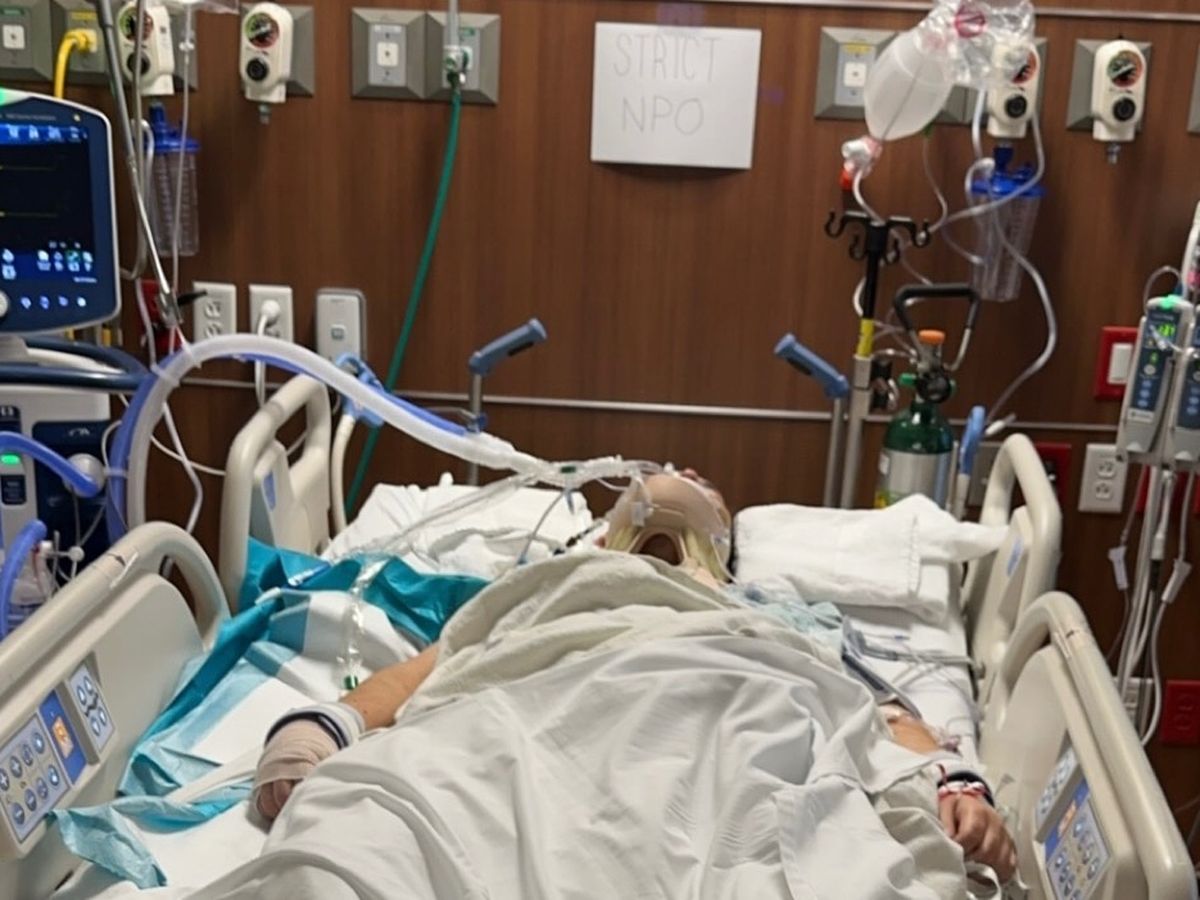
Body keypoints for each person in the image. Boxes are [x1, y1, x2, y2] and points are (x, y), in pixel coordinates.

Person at [253, 471, 1017, 885]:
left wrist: (957, 783)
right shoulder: (546, 584)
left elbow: (886, 717)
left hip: (735, 714)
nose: (678, 481)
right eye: (660, 478)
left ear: (725, 543)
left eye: (704, 485)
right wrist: (321, 728)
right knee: (372, 839)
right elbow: (433, 669)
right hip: (523, 719)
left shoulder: (777, 612)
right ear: (604, 533)